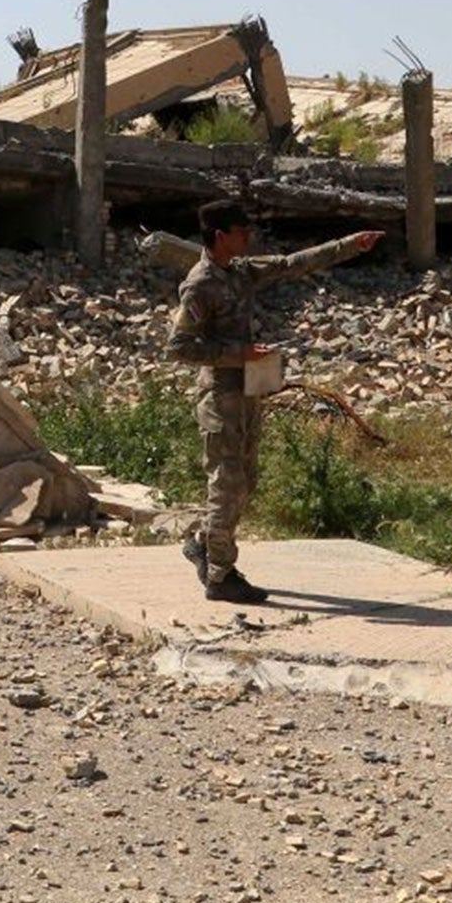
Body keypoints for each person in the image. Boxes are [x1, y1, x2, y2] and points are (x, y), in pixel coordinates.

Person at [167, 200, 384, 603]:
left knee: (246, 482)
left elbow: (291, 263)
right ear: (220, 236)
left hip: (249, 389)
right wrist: (240, 354)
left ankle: (203, 542)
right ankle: (220, 575)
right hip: (220, 395)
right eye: (241, 230)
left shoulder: (240, 271)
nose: (248, 237)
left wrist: (349, 245)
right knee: (226, 483)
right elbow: (179, 347)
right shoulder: (199, 284)